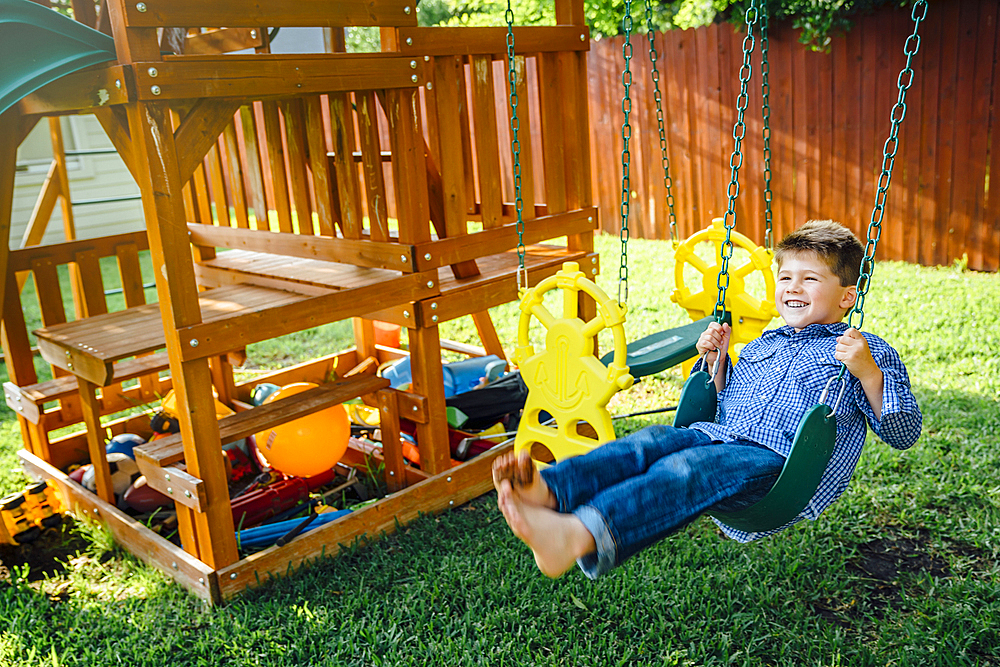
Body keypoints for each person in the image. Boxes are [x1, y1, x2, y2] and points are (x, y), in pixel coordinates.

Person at [492, 220, 922, 579]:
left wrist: (867, 372)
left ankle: (579, 535)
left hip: (779, 466)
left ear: (847, 296)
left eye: (810, 279)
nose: (793, 287)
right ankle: (549, 490)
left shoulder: (864, 350)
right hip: (718, 436)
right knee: (651, 441)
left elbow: (902, 433)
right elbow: (724, 401)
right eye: (786, 277)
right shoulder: (762, 343)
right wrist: (716, 361)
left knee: (685, 468)